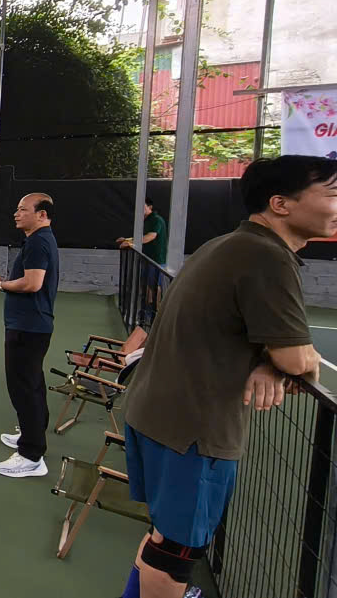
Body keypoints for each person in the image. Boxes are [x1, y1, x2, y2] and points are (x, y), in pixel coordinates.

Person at [116, 155, 336, 598]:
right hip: (191, 431)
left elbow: (272, 351)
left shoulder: (227, 244)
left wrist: (268, 362)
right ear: (280, 204)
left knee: (164, 539)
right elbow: (297, 360)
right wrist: (286, 360)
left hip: (156, 415)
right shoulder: (266, 256)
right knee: (175, 554)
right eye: (332, 194)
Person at [0, 193, 59, 478]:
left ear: (42, 214)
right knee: (33, 385)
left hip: (28, 327)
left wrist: (1, 284)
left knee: (23, 389)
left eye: (23, 209)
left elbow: (32, 283)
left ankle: (31, 456)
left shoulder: (38, 242)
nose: (16, 213)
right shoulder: (39, 240)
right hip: (31, 326)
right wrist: (1, 283)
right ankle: (32, 433)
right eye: (16, 209)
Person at [117, 196, 169, 268]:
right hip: (147, 259)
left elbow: (150, 236)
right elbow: (142, 237)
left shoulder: (156, 219)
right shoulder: (146, 220)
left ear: (150, 207)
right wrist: (126, 239)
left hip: (156, 261)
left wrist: (130, 242)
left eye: (143, 206)